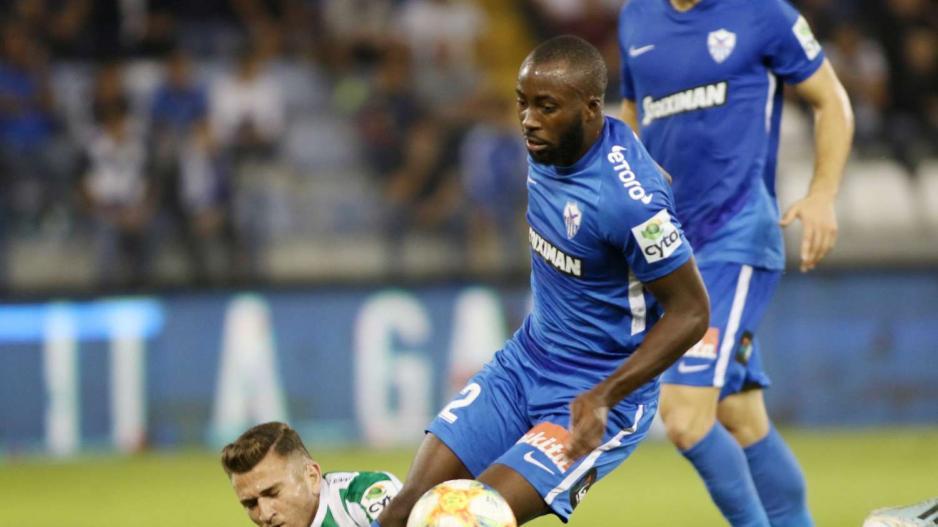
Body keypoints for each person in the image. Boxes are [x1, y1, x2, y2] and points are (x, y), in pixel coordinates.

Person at [374, 35, 710, 527]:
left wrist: (604, 395)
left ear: (590, 109)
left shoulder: (629, 202)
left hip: (593, 394)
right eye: (522, 103)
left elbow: (693, 312)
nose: (529, 120)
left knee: (470, 518)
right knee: (403, 512)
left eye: (546, 107)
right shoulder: (549, 145)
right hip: (523, 363)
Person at [617, 1, 854, 525]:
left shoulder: (762, 13)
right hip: (673, 254)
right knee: (739, 416)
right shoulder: (636, 16)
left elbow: (831, 99)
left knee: (684, 417)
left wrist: (822, 193)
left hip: (736, 235)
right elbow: (632, 117)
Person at [222, 421, 402, 527]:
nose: (265, 515)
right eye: (251, 504)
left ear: (312, 477)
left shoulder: (362, 495)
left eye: (273, 493)